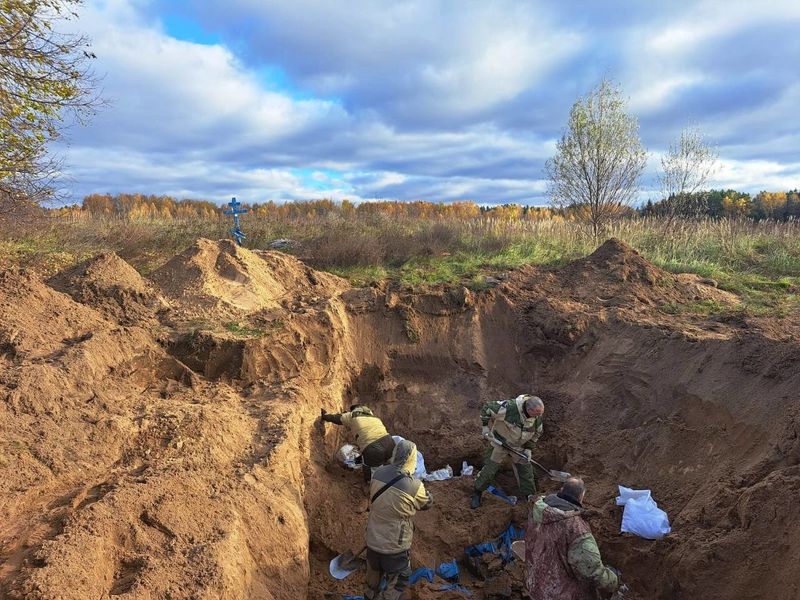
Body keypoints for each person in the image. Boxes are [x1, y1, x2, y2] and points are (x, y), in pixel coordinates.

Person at [525, 478, 621, 600]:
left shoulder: (538, 508)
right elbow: (591, 571)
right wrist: (613, 581)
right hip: (559, 594)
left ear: (561, 490)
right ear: (581, 496)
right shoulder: (576, 529)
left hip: (535, 583)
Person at [364, 439, 432, 600]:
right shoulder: (414, 486)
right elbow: (426, 504)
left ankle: (369, 595)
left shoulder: (378, 473)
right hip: (395, 546)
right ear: (411, 459)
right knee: (400, 578)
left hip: (372, 539)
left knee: (373, 575)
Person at [471, 394, 544, 509]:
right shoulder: (509, 408)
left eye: (540, 414)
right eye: (536, 414)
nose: (538, 417)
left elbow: (537, 434)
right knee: (490, 470)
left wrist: (529, 448)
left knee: (526, 472)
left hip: (518, 446)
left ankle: (529, 498)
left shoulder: (537, 417)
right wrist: (485, 426)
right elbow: (487, 407)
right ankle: (477, 491)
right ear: (529, 409)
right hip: (500, 442)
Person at [321, 404, 395, 482]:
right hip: (389, 443)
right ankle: (392, 482)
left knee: (369, 467)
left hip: (372, 448)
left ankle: (369, 483)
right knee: (390, 466)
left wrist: (325, 416)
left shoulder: (353, 415)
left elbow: (336, 418)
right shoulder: (375, 418)